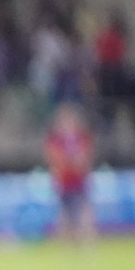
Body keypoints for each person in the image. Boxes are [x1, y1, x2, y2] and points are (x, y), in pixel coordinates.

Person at [44, 103, 96, 246]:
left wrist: (77, 162)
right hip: (63, 180)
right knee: (64, 213)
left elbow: (86, 157)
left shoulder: (81, 137)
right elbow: (54, 159)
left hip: (79, 180)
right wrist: (69, 162)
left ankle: (87, 242)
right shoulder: (56, 139)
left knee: (84, 211)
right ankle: (66, 244)